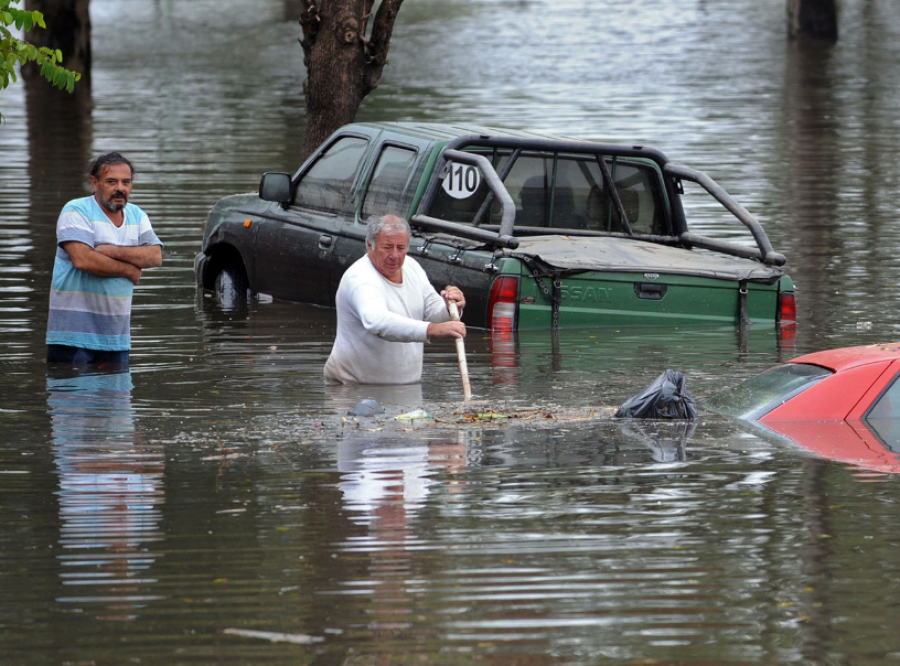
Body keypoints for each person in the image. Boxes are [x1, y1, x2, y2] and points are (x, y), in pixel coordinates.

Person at [46, 152, 163, 366]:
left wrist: (111, 250)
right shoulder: (76, 210)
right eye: (112, 181)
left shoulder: (137, 216)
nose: (120, 188)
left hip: (116, 339)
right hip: (72, 337)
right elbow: (83, 260)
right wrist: (129, 270)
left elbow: (155, 256)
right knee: (71, 396)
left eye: (126, 182)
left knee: (118, 399)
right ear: (95, 183)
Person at [324, 215, 466, 385]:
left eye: (401, 248)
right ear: (370, 246)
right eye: (387, 247)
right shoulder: (360, 278)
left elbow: (433, 311)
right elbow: (378, 322)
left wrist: (451, 308)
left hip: (406, 388)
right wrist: (432, 329)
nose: (395, 255)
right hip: (353, 387)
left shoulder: (412, 267)